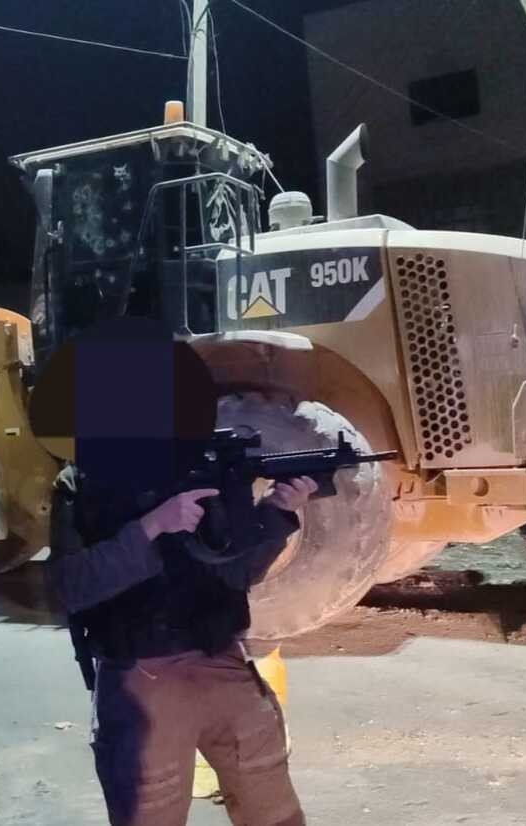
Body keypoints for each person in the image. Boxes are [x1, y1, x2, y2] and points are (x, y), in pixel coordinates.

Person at [32, 317, 313, 826]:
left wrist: (277, 513)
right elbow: (69, 588)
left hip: (223, 662)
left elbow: (236, 573)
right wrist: (152, 527)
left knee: (275, 814)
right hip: (142, 680)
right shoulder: (81, 483)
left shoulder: (207, 462)